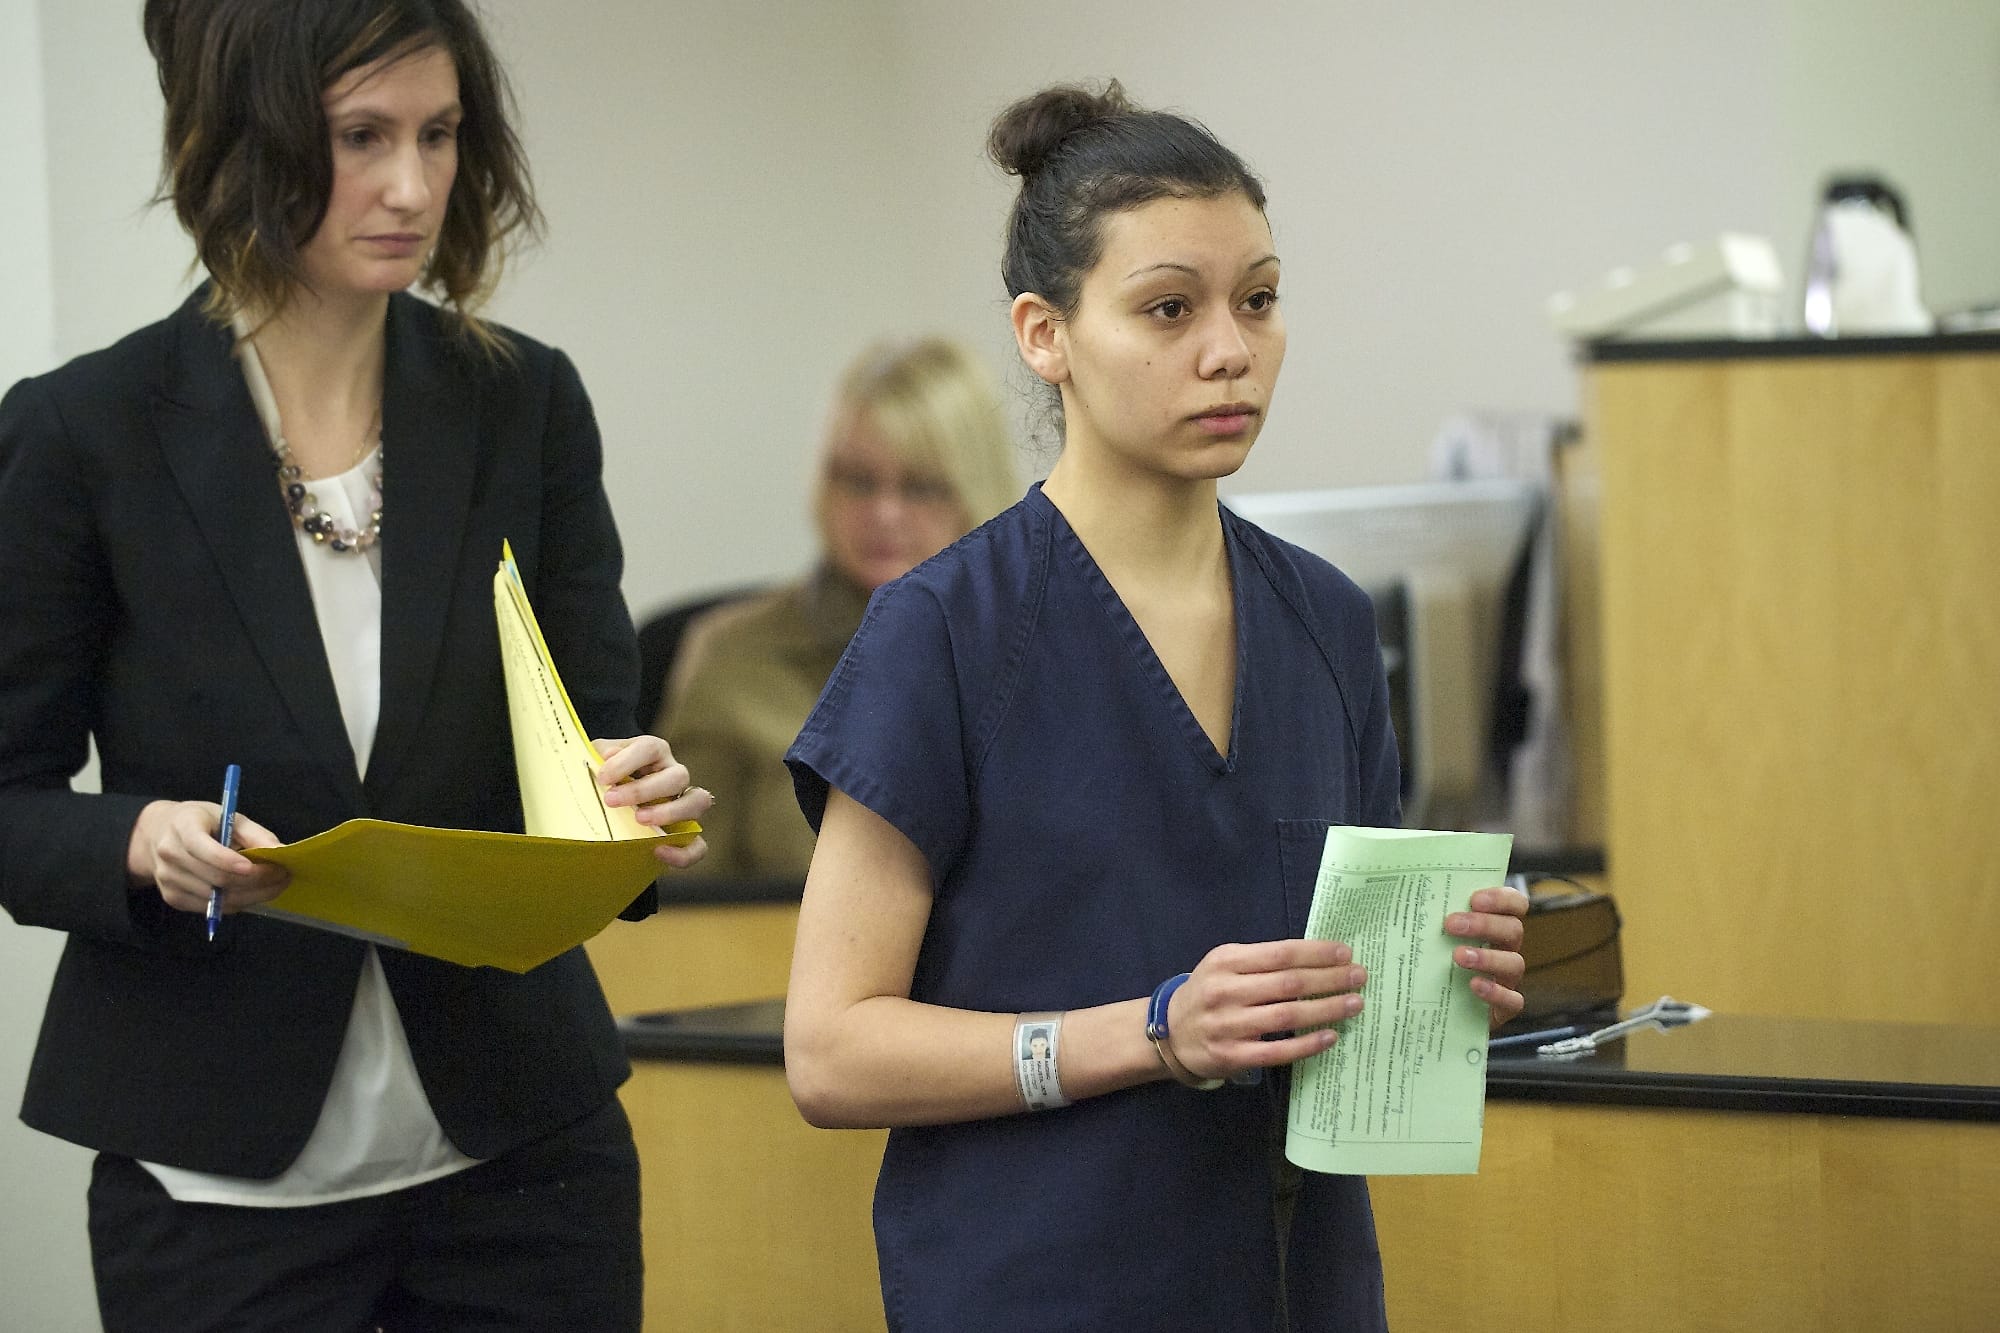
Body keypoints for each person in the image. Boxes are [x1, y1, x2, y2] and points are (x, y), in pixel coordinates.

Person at [0, 2, 713, 1328]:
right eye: (360, 138)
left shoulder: (527, 400)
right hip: (220, 1189)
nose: (411, 186)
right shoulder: (81, 433)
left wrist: (628, 800)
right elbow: (10, 796)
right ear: (239, 146)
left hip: (522, 1163)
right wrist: (137, 843)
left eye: (439, 135)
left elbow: (590, 733)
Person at [781, 82, 1531, 1330]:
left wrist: (1439, 984)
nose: (1229, 348)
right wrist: (1149, 1032)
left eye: (1259, 299)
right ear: (1043, 334)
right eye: (1168, 309)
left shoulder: (1330, 626)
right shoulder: (943, 633)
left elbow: (1342, 1020)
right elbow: (830, 1050)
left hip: (1300, 1288)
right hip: (1036, 1287)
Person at [657, 337, 1018, 880]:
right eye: (858, 481)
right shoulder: (736, 653)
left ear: (977, 492)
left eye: (921, 487)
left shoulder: (1041, 651)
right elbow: (680, 897)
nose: (884, 513)